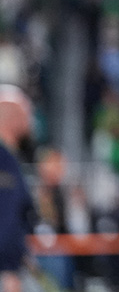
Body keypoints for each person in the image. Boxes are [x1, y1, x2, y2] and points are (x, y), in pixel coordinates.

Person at [0, 85, 34, 292]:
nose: (29, 121)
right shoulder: (4, 161)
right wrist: (8, 267)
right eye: (25, 114)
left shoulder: (11, 159)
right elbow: (6, 218)